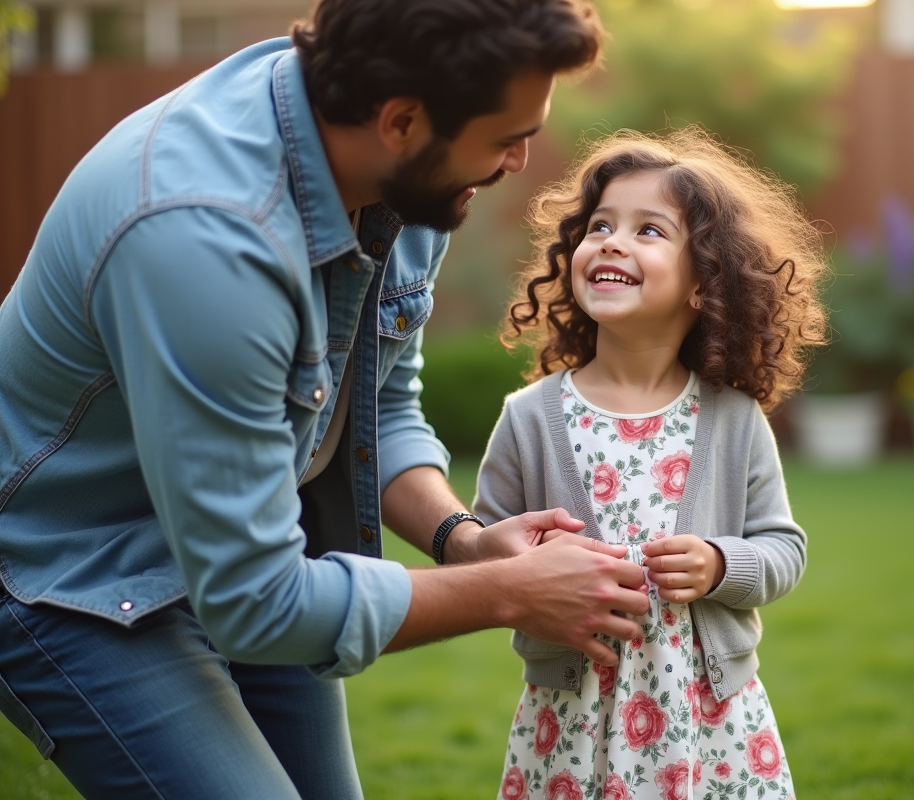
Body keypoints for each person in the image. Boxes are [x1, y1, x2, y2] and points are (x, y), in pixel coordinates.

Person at [0, 0, 654, 797]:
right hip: (69, 562)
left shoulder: (399, 170)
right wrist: (506, 593)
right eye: (506, 137)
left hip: (254, 529)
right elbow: (256, 602)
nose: (520, 160)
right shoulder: (204, 241)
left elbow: (381, 399)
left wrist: (464, 541)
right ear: (402, 121)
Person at [473, 129, 827, 800]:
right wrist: (527, 568)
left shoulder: (733, 419)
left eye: (648, 230)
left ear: (704, 283)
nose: (611, 240)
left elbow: (783, 549)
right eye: (599, 224)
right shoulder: (530, 417)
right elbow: (482, 554)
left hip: (707, 717)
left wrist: (721, 565)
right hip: (573, 717)